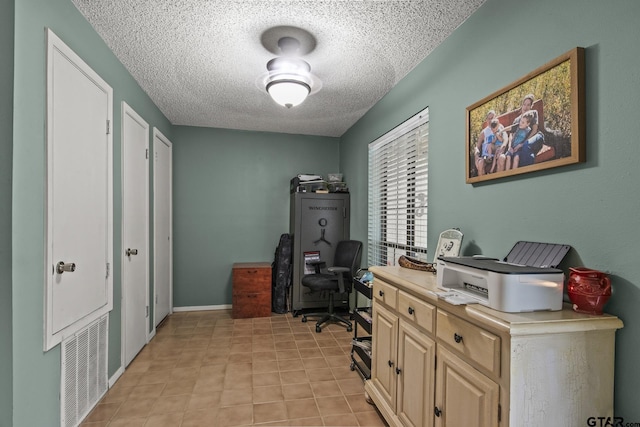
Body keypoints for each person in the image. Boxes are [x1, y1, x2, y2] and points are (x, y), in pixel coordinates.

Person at [474, 110, 497, 176]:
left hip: (495, 154)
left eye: (492, 118)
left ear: (495, 118)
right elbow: (477, 147)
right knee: (480, 163)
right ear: (487, 120)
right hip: (485, 156)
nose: (490, 120)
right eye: (488, 119)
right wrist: (476, 157)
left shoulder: (499, 127)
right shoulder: (484, 132)